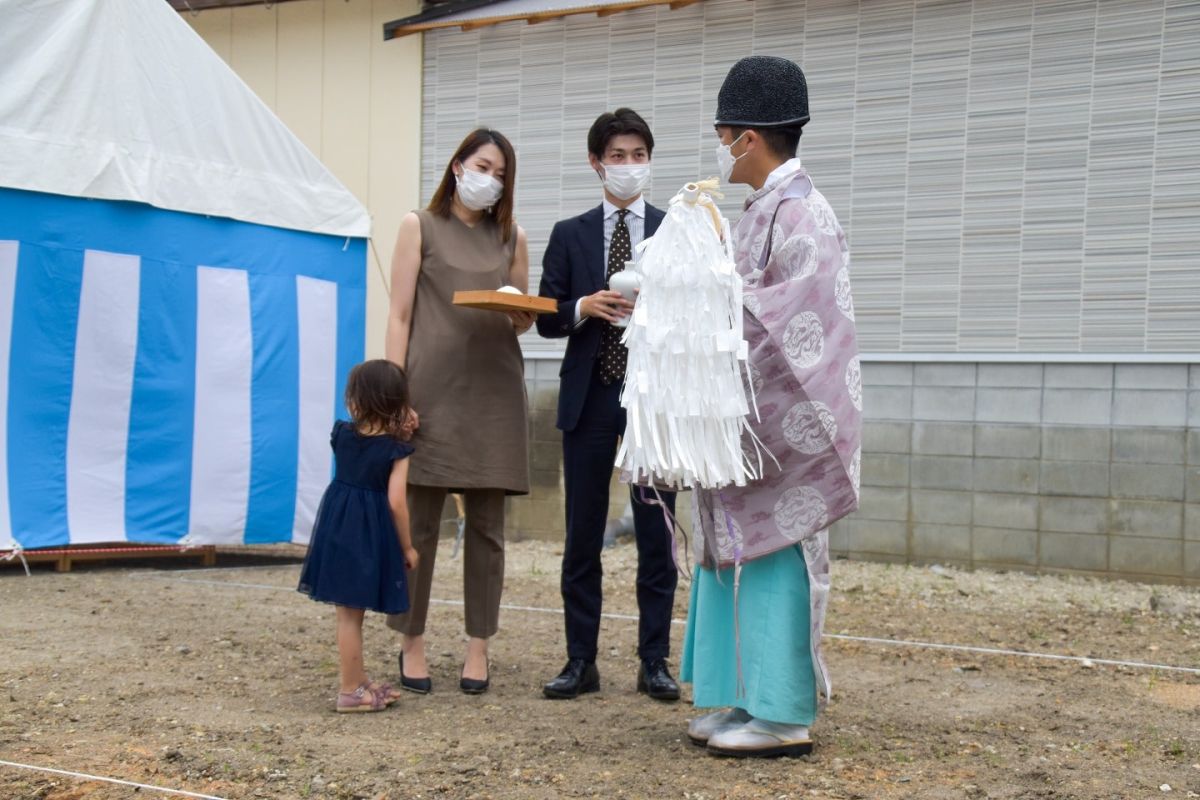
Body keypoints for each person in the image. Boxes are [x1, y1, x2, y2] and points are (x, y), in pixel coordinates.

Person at [680, 56, 862, 757]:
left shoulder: (802, 211)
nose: (720, 147)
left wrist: (700, 304)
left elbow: (794, 319)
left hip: (783, 419)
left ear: (747, 138)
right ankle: (742, 696)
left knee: (774, 551)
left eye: (723, 133)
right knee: (731, 549)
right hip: (747, 414)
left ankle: (783, 712)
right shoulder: (766, 209)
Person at [536, 108, 680, 702]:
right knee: (583, 532)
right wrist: (581, 309)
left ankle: (655, 661)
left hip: (652, 399)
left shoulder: (675, 229)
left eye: (637, 154)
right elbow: (546, 317)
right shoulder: (569, 233)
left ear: (650, 160)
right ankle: (580, 660)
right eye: (616, 156)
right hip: (590, 394)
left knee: (657, 531)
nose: (628, 166)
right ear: (595, 162)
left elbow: (692, 310)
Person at [384, 128, 532, 696]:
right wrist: (394, 395)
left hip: (494, 390)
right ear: (457, 165)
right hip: (429, 390)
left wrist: (525, 316)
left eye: (500, 173)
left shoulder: (512, 235)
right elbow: (399, 315)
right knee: (416, 522)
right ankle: (411, 640)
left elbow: (519, 309)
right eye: (481, 166)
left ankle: (479, 646)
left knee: (488, 528)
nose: (489, 179)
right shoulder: (416, 226)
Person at [297, 359, 420, 713]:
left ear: (356, 399)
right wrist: (408, 547)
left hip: (337, 527)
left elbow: (365, 440)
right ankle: (350, 691)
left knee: (349, 613)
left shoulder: (342, 434)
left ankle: (359, 680)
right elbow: (397, 503)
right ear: (399, 401)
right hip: (368, 535)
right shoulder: (397, 451)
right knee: (351, 617)